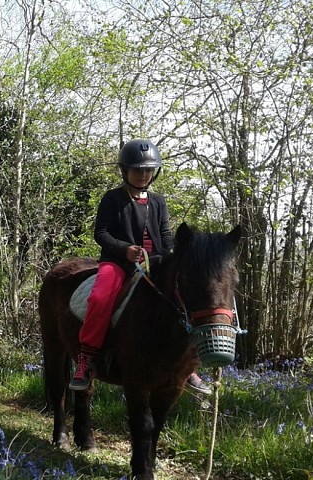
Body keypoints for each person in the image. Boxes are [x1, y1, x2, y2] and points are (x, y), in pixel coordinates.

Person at [68, 139, 211, 395]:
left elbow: (165, 234)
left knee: (181, 300)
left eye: (148, 170)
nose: (144, 175)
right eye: (138, 170)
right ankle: (86, 360)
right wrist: (125, 249)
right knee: (100, 298)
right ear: (125, 170)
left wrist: (173, 252)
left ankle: (188, 367)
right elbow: (101, 233)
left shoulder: (158, 201)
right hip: (119, 263)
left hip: (155, 263)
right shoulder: (112, 199)